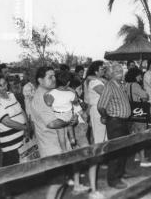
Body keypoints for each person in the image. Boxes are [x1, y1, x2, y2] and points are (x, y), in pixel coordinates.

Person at [97, 64, 133, 189]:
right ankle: (113, 179)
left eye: (121, 71)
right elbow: (101, 105)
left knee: (123, 149)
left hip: (123, 122)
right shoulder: (110, 85)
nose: (120, 72)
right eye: (117, 71)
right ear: (111, 73)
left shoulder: (121, 85)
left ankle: (120, 173)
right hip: (115, 122)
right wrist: (106, 117)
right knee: (116, 152)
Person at [0, 74, 28, 166]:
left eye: (5, 83)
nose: (4, 87)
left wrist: (27, 128)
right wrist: (25, 128)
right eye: (0, 85)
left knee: (28, 170)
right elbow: (7, 122)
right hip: (11, 147)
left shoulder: (11, 95)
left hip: (23, 141)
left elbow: (21, 111)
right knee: (15, 172)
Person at [84, 60, 107, 199]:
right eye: (102, 68)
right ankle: (93, 188)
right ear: (96, 70)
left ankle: (99, 165)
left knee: (102, 142)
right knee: (97, 145)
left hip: (101, 111)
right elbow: (106, 93)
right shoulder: (94, 82)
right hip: (98, 112)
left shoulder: (97, 80)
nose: (104, 70)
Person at [44, 70, 81, 152]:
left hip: (59, 116)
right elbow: (76, 101)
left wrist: (46, 94)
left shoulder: (52, 93)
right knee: (70, 126)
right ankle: (72, 138)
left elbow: (48, 103)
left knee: (61, 134)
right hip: (69, 114)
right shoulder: (70, 94)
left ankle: (64, 149)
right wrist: (72, 91)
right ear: (68, 83)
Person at [125, 67, 151, 167]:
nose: (140, 77)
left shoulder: (126, 85)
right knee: (142, 135)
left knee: (135, 135)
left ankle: (137, 156)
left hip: (130, 112)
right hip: (139, 111)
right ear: (135, 75)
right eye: (139, 75)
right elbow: (145, 96)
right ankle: (142, 160)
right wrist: (144, 92)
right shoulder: (136, 85)